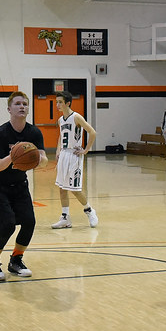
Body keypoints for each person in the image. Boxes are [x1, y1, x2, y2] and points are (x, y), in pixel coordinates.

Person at [0, 91, 48, 281]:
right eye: (17, 104)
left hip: (18, 182)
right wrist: (14, 155)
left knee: (29, 222)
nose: (22, 107)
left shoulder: (34, 132)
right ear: (9, 109)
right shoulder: (0, 134)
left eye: (25, 104)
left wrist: (38, 159)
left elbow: (43, 159)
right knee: (8, 223)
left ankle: (16, 260)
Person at [50, 91, 99, 229]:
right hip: (64, 155)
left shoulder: (76, 117)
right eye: (57, 102)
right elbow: (61, 136)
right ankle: (65, 218)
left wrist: (86, 150)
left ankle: (89, 210)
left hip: (74, 155)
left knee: (75, 189)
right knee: (61, 188)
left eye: (60, 102)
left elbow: (92, 132)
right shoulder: (60, 120)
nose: (57, 104)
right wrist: (58, 150)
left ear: (68, 103)